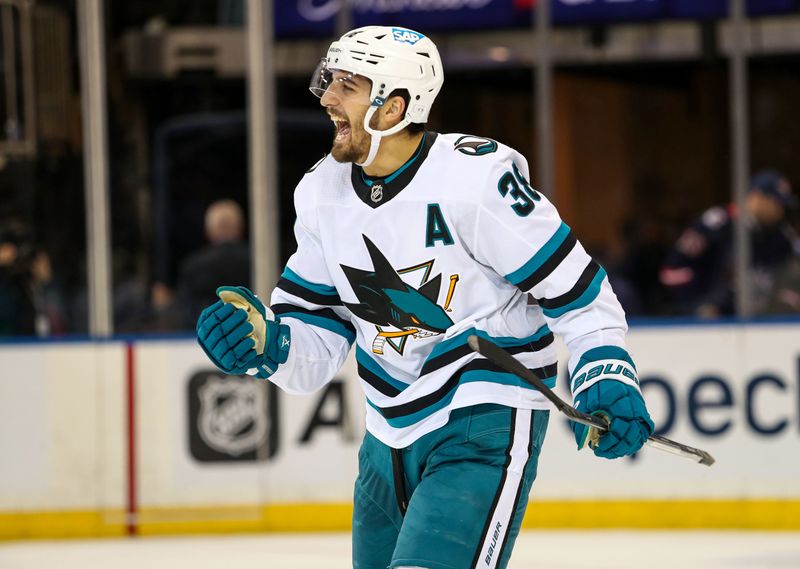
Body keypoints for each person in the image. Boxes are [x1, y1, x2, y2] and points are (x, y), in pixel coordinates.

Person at [196, 26, 653, 569]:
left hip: (481, 416)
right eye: (329, 79)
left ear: (392, 107)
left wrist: (604, 371)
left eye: (347, 84)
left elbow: (578, 292)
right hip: (385, 433)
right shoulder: (321, 193)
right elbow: (317, 339)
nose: (326, 97)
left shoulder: (477, 181)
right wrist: (268, 344)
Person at [659, 170, 799, 318]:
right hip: (712, 324)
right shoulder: (717, 224)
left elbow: (789, 280)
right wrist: (699, 305)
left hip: (761, 322)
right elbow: (672, 271)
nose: (780, 211)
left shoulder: (781, 237)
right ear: (757, 197)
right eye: (776, 203)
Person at [169, 199, 251, 328]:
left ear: (209, 231)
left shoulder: (194, 265)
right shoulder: (259, 262)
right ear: (240, 227)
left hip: (206, 337)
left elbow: (185, 312)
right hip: (252, 333)